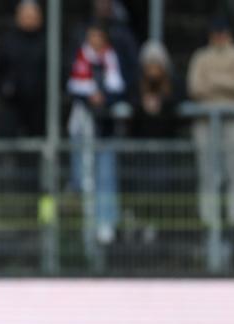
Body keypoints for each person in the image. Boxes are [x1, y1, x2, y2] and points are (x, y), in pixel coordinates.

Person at [68, 21, 127, 245]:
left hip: (105, 129)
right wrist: (89, 98)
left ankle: (106, 224)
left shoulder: (112, 59)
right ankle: (84, 228)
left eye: (98, 36)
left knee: (106, 176)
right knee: (83, 178)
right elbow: (74, 87)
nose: (94, 40)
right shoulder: (79, 59)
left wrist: (105, 99)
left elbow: (119, 88)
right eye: (91, 36)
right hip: (83, 128)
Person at [187, 17, 234, 230]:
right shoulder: (201, 56)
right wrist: (225, 82)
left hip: (233, 119)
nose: (219, 37)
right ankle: (209, 222)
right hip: (205, 121)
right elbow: (195, 87)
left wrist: (212, 80)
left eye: (223, 32)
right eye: (216, 33)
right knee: (207, 172)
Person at [0, 0, 46, 137]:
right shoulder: (8, 41)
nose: (29, 20)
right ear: (18, 17)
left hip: (39, 103)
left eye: (33, 17)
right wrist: (4, 88)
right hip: (13, 102)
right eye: (26, 16)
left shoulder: (47, 41)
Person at [130, 40, 180, 139]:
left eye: (156, 63)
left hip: (167, 141)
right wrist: (143, 103)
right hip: (140, 142)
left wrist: (161, 102)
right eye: (149, 63)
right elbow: (130, 100)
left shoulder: (172, 83)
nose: (153, 68)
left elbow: (179, 98)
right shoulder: (137, 83)